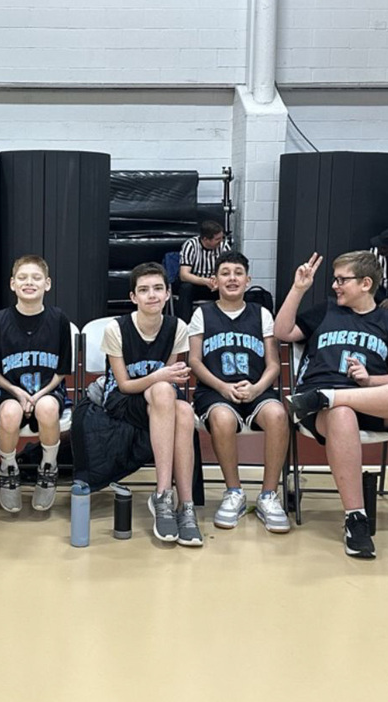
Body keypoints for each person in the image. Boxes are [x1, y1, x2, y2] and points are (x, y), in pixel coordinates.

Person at [274, 251, 388, 559]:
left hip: (370, 399)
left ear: (365, 283)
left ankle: (336, 397)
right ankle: (356, 519)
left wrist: (370, 381)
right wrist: (298, 289)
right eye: (334, 279)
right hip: (322, 407)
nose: (335, 285)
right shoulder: (326, 311)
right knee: (342, 413)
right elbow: (283, 333)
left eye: (341, 280)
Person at [188, 251, 291, 534]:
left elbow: (273, 364)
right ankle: (234, 491)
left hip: (256, 388)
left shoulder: (262, 314)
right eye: (225, 273)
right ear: (214, 281)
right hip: (215, 389)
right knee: (222, 419)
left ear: (248, 280)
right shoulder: (202, 314)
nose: (231, 278)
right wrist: (221, 385)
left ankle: (269, 495)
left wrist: (258, 387)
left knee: (278, 414)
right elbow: (194, 361)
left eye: (237, 272)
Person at [102, 262, 202, 546]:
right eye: (144, 290)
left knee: (183, 409)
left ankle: (186, 505)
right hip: (124, 398)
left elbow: (171, 379)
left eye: (158, 288)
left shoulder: (177, 327)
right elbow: (124, 384)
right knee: (161, 387)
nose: (152, 295)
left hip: (160, 398)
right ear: (133, 297)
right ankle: (162, 494)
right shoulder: (116, 328)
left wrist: (163, 378)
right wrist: (158, 376)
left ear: (168, 293)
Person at [0, 255, 72, 513]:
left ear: (48, 284)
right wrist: (17, 392)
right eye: (22, 278)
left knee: (47, 408)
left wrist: (38, 394)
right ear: (12, 284)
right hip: (10, 390)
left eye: (36, 277)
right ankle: (8, 467)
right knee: (10, 413)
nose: (29, 282)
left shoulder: (59, 320)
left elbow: (62, 370)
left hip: (47, 389)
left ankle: (49, 466)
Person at [176, 220, 231, 322]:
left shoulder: (223, 246)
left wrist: (218, 280)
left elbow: (228, 269)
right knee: (186, 288)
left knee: (230, 286)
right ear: (205, 239)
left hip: (216, 284)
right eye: (217, 239)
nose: (221, 241)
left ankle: (228, 322)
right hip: (196, 285)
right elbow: (184, 275)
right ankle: (185, 325)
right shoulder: (191, 245)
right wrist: (206, 281)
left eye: (221, 238)